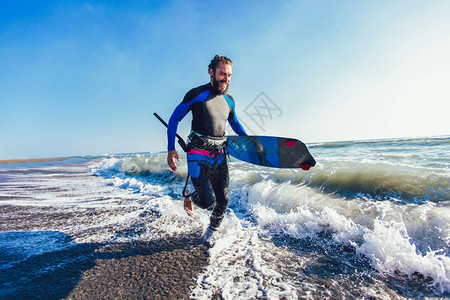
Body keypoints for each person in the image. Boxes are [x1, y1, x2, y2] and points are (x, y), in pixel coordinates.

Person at [167, 55, 247, 245]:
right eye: (222, 74)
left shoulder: (230, 100)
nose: (226, 79)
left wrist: (249, 141)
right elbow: (174, 119)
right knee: (207, 202)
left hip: (219, 155)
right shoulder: (197, 94)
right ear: (211, 72)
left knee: (223, 200)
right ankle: (190, 197)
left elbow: (235, 124)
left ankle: (210, 234)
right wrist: (171, 149)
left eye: (229, 75)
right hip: (197, 154)